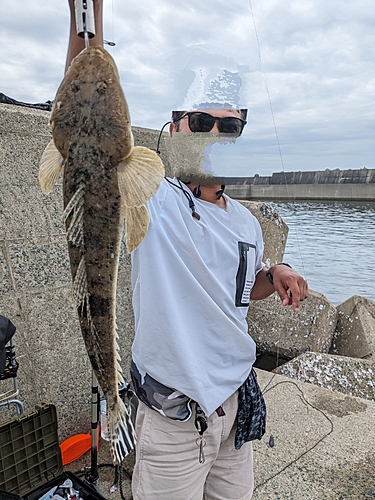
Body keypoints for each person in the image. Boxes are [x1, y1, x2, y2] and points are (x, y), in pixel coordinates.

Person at [65, 2, 308, 498]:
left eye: (230, 126)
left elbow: (240, 288)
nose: (215, 135)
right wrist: (87, 23)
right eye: (201, 121)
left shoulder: (246, 221)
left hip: (236, 411)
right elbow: (84, 126)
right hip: (174, 421)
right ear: (174, 127)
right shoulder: (151, 194)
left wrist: (274, 273)